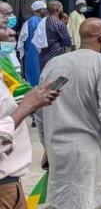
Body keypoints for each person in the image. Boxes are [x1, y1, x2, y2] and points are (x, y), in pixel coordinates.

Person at [37, 18, 101, 208]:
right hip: (88, 149)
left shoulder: (53, 63)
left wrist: (47, 143)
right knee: (84, 201)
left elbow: (39, 111)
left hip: (57, 149)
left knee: (61, 201)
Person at [0, 16, 60, 209]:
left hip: (11, 184)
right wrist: (26, 107)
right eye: (3, 27)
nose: (12, 32)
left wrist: (33, 100)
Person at [35, 0, 73, 71]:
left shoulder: (44, 21)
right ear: (57, 9)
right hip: (56, 55)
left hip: (43, 56)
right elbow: (67, 42)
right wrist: (64, 25)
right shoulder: (59, 23)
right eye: (61, 8)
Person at [17, 1, 47, 88]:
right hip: (34, 52)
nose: (45, 12)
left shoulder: (35, 21)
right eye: (44, 10)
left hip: (33, 52)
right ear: (38, 10)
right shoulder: (34, 20)